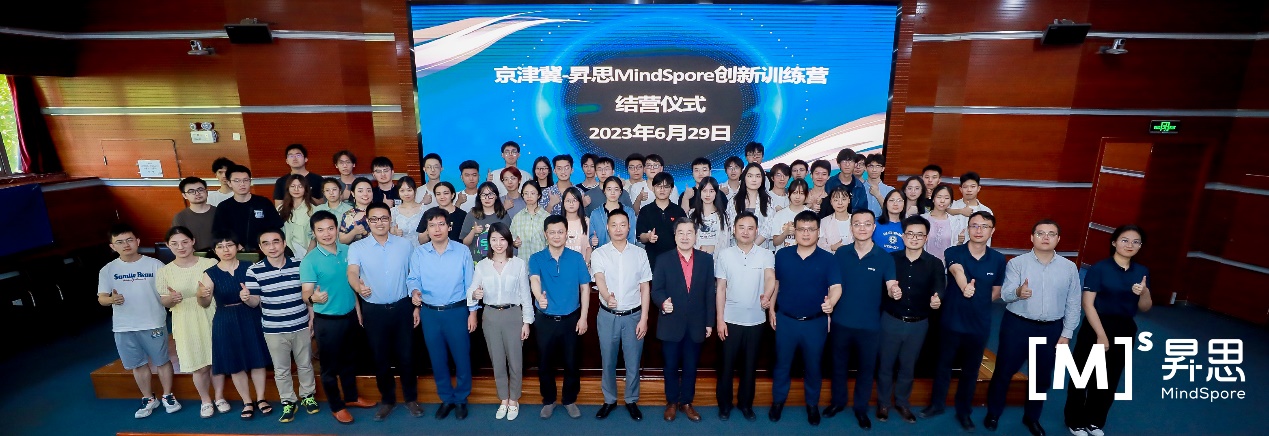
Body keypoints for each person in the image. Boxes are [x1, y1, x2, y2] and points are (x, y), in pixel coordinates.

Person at [985, 219, 1082, 436]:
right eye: (1040, 233)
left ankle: (1032, 417)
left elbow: (1074, 302)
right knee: (1003, 372)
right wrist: (1018, 292)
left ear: (1058, 239)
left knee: (1041, 377)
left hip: (1051, 329)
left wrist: (1067, 333)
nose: (1045, 237)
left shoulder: (1069, 268)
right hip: (1017, 326)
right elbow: (1005, 294)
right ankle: (993, 412)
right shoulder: (1017, 263)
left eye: (1051, 234)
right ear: (1032, 237)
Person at [920, 211, 1006, 431]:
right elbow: (956, 269)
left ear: (992, 231)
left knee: (970, 369)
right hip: (952, 320)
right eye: (974, 225)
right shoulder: (953, 251)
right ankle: (937, 405)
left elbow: (996, 291)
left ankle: (963, 411)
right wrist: (965, 286)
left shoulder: (998, 259)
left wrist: (978, 301)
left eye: (984, 226)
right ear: (968, 228)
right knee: (943, 365)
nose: (978, 230)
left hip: (979, 324)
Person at [1064, 225, 1152, 436]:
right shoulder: (1100, 268)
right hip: (1096, 325)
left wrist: (1144, 292)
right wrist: (1101, 335)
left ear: (1140, 246)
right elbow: (1088, 304)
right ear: (1114, 242)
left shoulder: (1142, 271)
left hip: (1125, 327)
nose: (1130, 245)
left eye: (1136, 242)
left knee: (1110, 377)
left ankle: (1094, 420)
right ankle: (1074, 420)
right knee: (1083, 375)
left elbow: (1145, 307)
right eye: (1125, 240)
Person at [347, 202, 424, 421]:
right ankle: (387, 400)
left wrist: (416, 306)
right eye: (374, 219)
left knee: (407, 355)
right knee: (380, 357)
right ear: (367, 221)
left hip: (402, 307)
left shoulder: (405, 245)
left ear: (390, 220)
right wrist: (358, 286)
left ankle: (411, 399)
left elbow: (414, 275)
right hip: (374, 310)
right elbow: (352, 272)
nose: (379, 223)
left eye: (383, 218)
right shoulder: (357, 248)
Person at [823, 210, 898, 430]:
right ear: (851, 228)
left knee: (866, 369)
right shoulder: (841, 254)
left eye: (867, 224)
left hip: (870, 325)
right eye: (857, 224)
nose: (862, 228)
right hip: (841, 322)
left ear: (874, 227)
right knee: (838, 366)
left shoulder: (885, 257)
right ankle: (838, 402)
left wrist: (894, 290)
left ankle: (860, 409)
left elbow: (891, 285)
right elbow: (833, 285)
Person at [300, 211, 376, 424]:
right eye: (320, 230)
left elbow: (353, 283)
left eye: (330, 229)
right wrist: (313, 298)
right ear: (314, 233)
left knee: (350, 361)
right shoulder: (310, 260)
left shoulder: (348, 250)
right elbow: (306, 293)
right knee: (330, 367)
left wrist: (358, 310)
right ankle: (336, 405)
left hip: (350, 316)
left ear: (337, 229)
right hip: (327, 322)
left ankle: (351, 397)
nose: (326, 234)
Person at [98, 223, 180, 419]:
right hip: (124, 326)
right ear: (112, 246)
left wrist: (172, 298)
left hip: (153, 322)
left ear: (138, 241)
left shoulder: (155, 265)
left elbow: (165, 293)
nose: (126, 245)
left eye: (129, 240)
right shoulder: (108, 270)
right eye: (120, 242)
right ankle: (149, 398)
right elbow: (101, 298)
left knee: (162, 361)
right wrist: (111, 300)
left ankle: (168, 395)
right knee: (137, 364)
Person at [768, 210, 841, 426]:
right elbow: (776, 284)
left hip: (815, 323)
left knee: (813, 366)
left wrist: (831, 303)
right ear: (795, 231)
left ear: (818, 232)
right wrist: (771, 310)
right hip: (786, 320)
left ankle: (812, 405)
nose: (806, 233)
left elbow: (836, 287)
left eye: (810, 229)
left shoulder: (829, 259)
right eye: (801, 229)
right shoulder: (782, 255)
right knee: (782, 364)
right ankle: (778, 402)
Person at [408, 207, 478, 420]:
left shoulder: (462, 251)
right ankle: (446, 398)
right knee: (437, 359)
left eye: (441, 224)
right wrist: (415, 292)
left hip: (456, 312)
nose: (437, 229)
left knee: (462, 358)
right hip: (430, 314)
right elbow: (413, 279)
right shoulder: (419, 253)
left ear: (449, 227)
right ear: (427, 229)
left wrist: (473, 312)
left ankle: (461, 399)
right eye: (432, 225)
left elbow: (470, 283)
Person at [245, 229, 318, 423]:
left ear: (284, 243)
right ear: (260, 248)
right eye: (266, 243)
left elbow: (307, 294)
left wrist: (311, 317)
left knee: (305, 364)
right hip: (274, 329)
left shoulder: (299, 264)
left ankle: (308, 396)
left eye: (276, 241)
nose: (272, 247)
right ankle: (288, 401)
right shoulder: (254, 270)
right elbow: (254, 302)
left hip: (300, 324)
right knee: (281, 369)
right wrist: (247, 298)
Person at [877, 215, 945, 424]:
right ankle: (883, 403)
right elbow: (880, 286)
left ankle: (902, 402)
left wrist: (937, 299)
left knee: (908, 367)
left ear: (926, 238)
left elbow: (939, 288)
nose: (914, 238)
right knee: (885, 365)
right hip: (890, 320)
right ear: (903, 236)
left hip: (918, 323)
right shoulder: (890, 259)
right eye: (910, 234)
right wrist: (890, 291)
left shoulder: (935, 263)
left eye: (919, 235)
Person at [197, 232, 272, 420]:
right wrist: (201, 295)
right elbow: (205, 303)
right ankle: (247, 401)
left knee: (257, 358)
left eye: (229, 245)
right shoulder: (210, 273)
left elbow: (258, 298)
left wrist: (249, 297)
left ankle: (261, 398)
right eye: (220, 247)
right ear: (214, 251)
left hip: (250, 315)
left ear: (238, 247)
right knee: (235, 363)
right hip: (225, 319)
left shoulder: (251, 267)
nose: (225, 250)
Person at [466, 222, 533, 421]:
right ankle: (503, 398)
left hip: (513, 315)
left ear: (508, 241)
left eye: (502, 239)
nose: (498, 244)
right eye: (494, 239)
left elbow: (525, 295)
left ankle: (514, 399)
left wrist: (527, 322)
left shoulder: (518, 264)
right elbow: (471, 291)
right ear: (489, 242)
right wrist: (475, 294)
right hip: (491, 316)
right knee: (497, 360)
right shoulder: (482, 265)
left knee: (515, 361)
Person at [590, 208, 652, 421]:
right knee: (607, 360)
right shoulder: (599, 253)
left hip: (634, 316)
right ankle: (609, 399)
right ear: (607, 227)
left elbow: (645, 287)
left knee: (633, 361)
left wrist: (644, 318)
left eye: (622, 225)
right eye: (614, 225)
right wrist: (607, 295)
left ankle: (631, 400)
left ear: (629, 227)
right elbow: (599, 278)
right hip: (608, 316)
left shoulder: (640, 253)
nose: (618, 229)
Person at [652, 219, 716, 423]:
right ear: (675, 236)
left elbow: (709, 292)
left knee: (690, 366)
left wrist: (709, 322)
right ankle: (671, 402)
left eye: (689, 232)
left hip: (696, 324)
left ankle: (686, 402)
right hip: (671, 323)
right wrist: (663, 302)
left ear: (696, 236)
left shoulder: (706, 260)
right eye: (681, 232)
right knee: (670, 366)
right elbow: (656, 290)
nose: (685, 237)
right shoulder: (663, 259)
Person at [156, 226, 223, 418]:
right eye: (175, 243)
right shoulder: (164, 271)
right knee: (198, 363)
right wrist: (172, 299)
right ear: (168, 245)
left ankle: (219, 397)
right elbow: (164, 300)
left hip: (211, 314)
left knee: (216, 361)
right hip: (184, 320)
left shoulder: (210, 263)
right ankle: (205, 400)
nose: (181, 247)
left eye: (185, 242)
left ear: (193, 241)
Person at [713, 212, 774, 421]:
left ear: (756, 231)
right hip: (730, 320)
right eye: (741, 227)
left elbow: (770, 277)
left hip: (756, 321)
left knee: (750, 366)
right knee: (726, 366)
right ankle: (724, 405)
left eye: (750, 228)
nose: (746, 232)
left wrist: (767, 294)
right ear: (734, 230)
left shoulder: (766, 254)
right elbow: (720, 289)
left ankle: (746, 404)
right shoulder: (725, 255)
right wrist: (720, 319)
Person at [529, 215, 591, 420]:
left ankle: (569, 399)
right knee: (544, 363)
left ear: (566, 234)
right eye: (552, 232)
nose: (556, 236)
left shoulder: (576, 258)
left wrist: (583, 317)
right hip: (545, 320)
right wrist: (539, 296)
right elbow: (534, 280)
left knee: (572, 362)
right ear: (545, 235)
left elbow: (585, 288)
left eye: (560, 232)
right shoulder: (536, 258)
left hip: (571, 319)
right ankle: (548, 400)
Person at [212, 165, 283, 252]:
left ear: (250, 181)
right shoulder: (223, 207)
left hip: (263, 251)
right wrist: (236, 245)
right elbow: (219, 232)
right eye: (237, 181)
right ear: (229, 183)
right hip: (235, 252)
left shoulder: (263, 202)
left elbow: (275, 227)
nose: (242, 184)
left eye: (246, 180)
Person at [636, 172, 687, 269]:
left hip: (676, 260)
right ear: (653, 188)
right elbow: (640, 236)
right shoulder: (645, 210)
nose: (662, 190)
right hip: (653, 260)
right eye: (658, 186)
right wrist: (648, 236)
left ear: (671, 189)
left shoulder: (679, 211)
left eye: (666, 187)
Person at [461, 182, 513, 263]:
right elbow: (465, 243)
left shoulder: (503, 215)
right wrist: (473, 231)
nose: (487, 198)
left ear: (496, 196)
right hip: (476, 262)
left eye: (490, 194)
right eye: (483, 195)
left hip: (499, 262)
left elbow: (509, 241)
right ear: (479, 197)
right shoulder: (472, 215)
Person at [730, 163, 773, 248]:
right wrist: (743, 247)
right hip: (737, 249)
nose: (754, 180)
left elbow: (768, 228)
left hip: (760, 249)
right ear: (744, 178)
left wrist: (752, 247)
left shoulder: (768, 201)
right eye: (750, 176)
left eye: (758, 176)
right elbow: (731, 226)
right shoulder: (734, 200)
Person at [588, 176, 637, 248]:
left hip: (625, 252)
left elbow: (632, 237)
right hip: (602, 253)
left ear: (620, 191)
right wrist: (592, 241)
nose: (612, 192)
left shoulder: (630, 213)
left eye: (616, 189)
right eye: (609, 189)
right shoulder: (595, 214)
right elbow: (591, 236)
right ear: (604, 191)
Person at [278, 174, 317, 258]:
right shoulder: (280, 209)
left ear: (305, 189)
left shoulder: (313, 210)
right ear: (288, 188)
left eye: (300, 186)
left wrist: (308, 256)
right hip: (285, 252)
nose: (296, 189)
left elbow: (315, 237)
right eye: (293, 186)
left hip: (306, 252)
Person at [949, 172, 994, 245]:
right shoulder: (952, 207)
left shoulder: (986, 211)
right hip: (953, 250)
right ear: (960, 189)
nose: (969, 190)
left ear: (978, 188)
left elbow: (987, 239)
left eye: (972, 187)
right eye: (965, 187)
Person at [173, 177, 217, 251]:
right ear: (184, 195)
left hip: (220, 255)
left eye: (200, 190)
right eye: (191, 191)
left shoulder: (220, 212)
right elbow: (179, 241)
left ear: (206, 192)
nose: (197, 193)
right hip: (194, 256)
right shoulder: (180, 217)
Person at [687, 176, 729, 253]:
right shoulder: (692, 214)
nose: (708, 194)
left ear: (716, 193)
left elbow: (725, 241)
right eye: (704, 191)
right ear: (700, 192)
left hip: (717, 257)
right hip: (697, 257)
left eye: (711, 191)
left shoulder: (722, 215)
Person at [511, 181, 549, 261]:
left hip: (542, 262)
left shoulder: (547, 217)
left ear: (538, 195)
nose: (529, 196)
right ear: (522, 195)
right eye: (526, 193)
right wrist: (514, 243)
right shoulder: (517, 217)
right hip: (523, 262)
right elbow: (511, 238)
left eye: (532, 193)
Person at [768, 179, 810, 251]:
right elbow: (775, 242)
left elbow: (815, 240)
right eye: (794, 193)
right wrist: (785, 233)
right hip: (784, 255)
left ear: (806, 195)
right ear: (788, 194)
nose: (797, 197)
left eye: (801, 193)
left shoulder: (811, 215)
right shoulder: (779, 215)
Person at [822, 149, 867, 215]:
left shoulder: (859, 186)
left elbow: (863, 211)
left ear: (855, 164)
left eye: (851, 161)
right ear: (838, 164)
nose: (847, 164)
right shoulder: (830, 183)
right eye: (844, 161)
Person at [921, 185, 957, 263]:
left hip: (946, 265)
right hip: (924, 264)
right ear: (933, 199)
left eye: (946, 198)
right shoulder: (923, 219)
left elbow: (956, 244)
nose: (942, 201)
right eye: (939, 197)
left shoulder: (955, 221)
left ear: (951, 201)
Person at [816, 186, 853, 253]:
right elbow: (820, 246)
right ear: (831, 202)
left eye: (844, 199)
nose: (840, 203)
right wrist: (832, 247)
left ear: (849, 200)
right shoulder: (824, 222)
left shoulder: (856, 220)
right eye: (836, 200)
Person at [390, 176, 425, 248]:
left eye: (409, 190)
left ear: (415, 190)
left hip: (421, 249)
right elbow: (389, 232)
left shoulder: (424, 209)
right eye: (402, 191)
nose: (406, 194)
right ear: (398, 192)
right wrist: (394, 232)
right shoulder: (393, 211)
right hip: (401, 249)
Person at [338, 177, 374, 245]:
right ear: (353, 193)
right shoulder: (348, 215)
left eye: (369, 191)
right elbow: (342, 240)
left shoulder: (380, 211)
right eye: (360, 191)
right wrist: (354, 232)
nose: (365, 194)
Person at [560, 187, 591, 263]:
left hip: (582, 265)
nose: (571, 203)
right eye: (568, 201)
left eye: (574, 200)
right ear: (563, 203)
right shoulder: (558, 222)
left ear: (580, 202)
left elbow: (589, 247)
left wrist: (586, 264)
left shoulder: (587, 221)